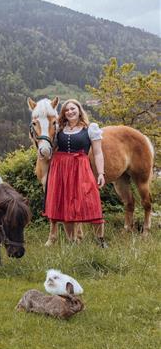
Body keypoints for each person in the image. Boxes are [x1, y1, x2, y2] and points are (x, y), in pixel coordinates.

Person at [43, 99, 107, 247]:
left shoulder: (90, 128)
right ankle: (72, 242)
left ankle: (100, 240)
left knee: (91, 201)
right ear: (64, 113)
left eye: (73, 109)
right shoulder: (59, 128)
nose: (70, 112)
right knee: (66, 206)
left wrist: (101, 173)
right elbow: (49, 146)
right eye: (66, 110)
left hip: (81, 168)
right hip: (60, 170)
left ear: (79, 110)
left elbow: (98, 153)